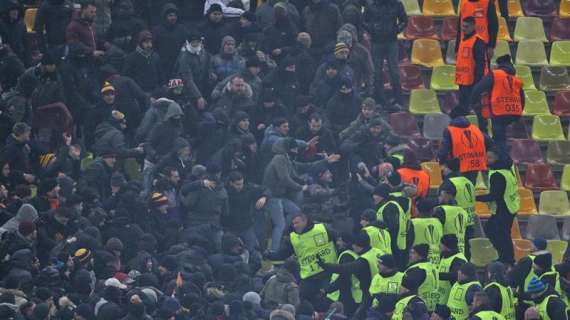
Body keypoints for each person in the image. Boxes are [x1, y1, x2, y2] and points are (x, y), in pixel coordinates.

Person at [263, 138, 340, 251]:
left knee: (296, 212)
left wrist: (325, 162)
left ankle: (282, 236)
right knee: (280, 223)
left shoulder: (287, 159)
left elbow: (302, 168)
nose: (295, 151)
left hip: (280, 196)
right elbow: (285, 178)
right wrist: (301, 187)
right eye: (293, 148)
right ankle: (273, 251)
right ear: (287, 148)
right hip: (272, 196)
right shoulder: (279, 158)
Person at [265, 213, 338, 307]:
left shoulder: (323, 228)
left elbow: (338, 241)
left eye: (297, 223)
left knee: (327, 301)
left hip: (328, 273)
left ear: (305, 221)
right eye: (293, 224)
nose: (295, 226)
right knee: (300, 301)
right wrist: (270, 255)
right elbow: (283, 253)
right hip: (308, 277)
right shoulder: (293, 237)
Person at [319, 231, 383, 319]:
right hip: (378, 292)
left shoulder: (363, 260)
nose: (352, 246)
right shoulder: (377, 251)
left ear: (357, 245)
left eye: (353, 244)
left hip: (365, 295)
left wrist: (325, 266)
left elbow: (344, 269)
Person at [470, 54, 524, 151]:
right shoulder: (516, 79)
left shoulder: (495, 74)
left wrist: (474, 103)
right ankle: (502, 157)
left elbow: (478, 89)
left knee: (499, 140)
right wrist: (519, 111)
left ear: (500, 65)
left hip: (499, 112)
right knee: (502, 138)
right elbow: (522, 98)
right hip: (515, 112)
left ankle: (501, 160)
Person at [476, 149, 519, 265]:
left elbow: (494, 195)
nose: (487, 160)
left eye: (490, 157)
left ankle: (508, 259)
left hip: (504, 209)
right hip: (510, 206)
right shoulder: (507, 170)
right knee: (492, 230)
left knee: (502, 235)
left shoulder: (497, 174)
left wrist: (475, 198)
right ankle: (505, 257)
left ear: (498, 158)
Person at [362, 0, 407, 109]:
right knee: (376, 71)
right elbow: (363, 21)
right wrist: (372, 29)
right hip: (376, 42)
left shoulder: (397, 4)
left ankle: (398, 100)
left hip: (392, 41)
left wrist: (396, 30)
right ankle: (380, 100)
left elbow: (404, 20)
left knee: (394, 71)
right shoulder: (371, 4)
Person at [438, 115, 490, 184]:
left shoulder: (449, 130)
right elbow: (490, 143)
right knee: (471, 187)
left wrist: (441, 163)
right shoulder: (475, 128)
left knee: (458, 188)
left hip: (459, 165)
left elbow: (443, 150)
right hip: (477, 164)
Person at [224, 170, 268, 251]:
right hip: (229, 227)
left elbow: (264, 190)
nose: (240, 186)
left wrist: (264, 197)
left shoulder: (248, 189)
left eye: (242, 184)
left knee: (253, 248)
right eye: (237, 184)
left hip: (246, 225)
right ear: (231, 183)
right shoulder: (225, 192)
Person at [454, 16, 489, 119]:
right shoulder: (463, 40)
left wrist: (477, 82)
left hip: (472, 82)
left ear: (474, 26)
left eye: (466, 26)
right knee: (464, 107)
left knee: (472, 108)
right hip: (463, 81)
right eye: (463, 26)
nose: (464, 29)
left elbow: (480, 63)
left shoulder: (478, 41)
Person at [373, 184, 409, 269]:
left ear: (382, 196)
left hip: (393, 244)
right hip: (397, 243)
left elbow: (392, 225)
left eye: (376, 194)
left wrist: (378, 226)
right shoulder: (390, 205)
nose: (373, 197)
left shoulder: (390, 207)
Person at [434, 186, 469, 256]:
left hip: (445, 249)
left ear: (447, 195)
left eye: (440, 195)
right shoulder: (464, 211)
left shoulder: (440, 210)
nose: (439, 198)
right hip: (462, 249)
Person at [405, 244, 439, 312]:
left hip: (418, 307)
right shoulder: (432, 266)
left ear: (419, 255)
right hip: (432, 306)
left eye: (413, 253)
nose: (410, 255)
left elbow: (406, 290)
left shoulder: (417, 269)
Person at [409, 198, 443, 265]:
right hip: (437, 259)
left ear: (417, 210)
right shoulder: (438, 222)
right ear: (432, 211)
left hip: (418, 260)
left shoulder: (412, 223)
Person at [438, 234, 468, 305]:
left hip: (451, 299)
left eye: (441, 244)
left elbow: (454, 275)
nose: (439, 245)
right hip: (442, 297)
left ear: (446, 246)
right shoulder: (444, 256)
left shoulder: (458, 259)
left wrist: (436, 275)